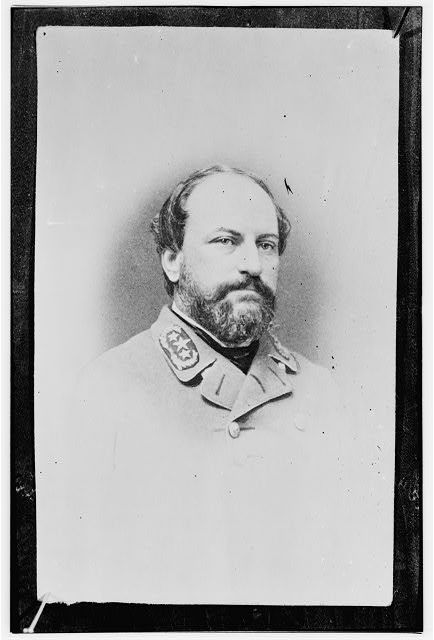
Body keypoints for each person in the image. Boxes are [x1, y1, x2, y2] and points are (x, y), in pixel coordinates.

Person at [46, 165, 391, 606]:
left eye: (266, 245)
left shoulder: (321, 393)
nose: (253, 265)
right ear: (172, 260)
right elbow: (72, 585)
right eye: (226, 241)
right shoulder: (109, 390)